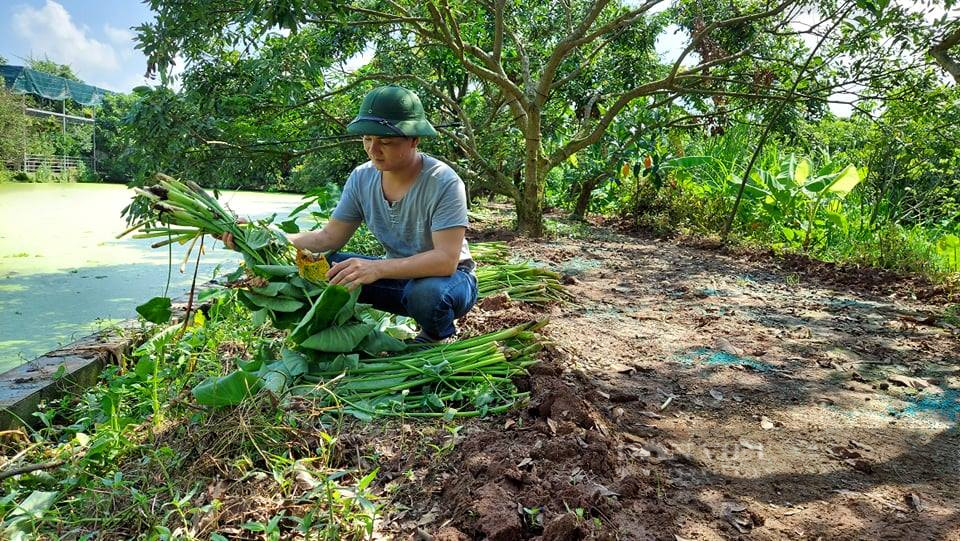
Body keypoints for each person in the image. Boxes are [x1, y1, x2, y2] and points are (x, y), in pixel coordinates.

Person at [224, 85, 477, 342]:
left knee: (428, 294)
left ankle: (437, 336)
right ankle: (336, 330)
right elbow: (327, 239)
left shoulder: (443, 181)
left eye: (386, 142)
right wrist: (264, 236)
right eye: (367, 139)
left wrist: (377, 268)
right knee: (316, 267)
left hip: (450, 280)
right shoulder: (361, 177)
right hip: (397, 278)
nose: (373, 150)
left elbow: (445, 260)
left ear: (414, 140)